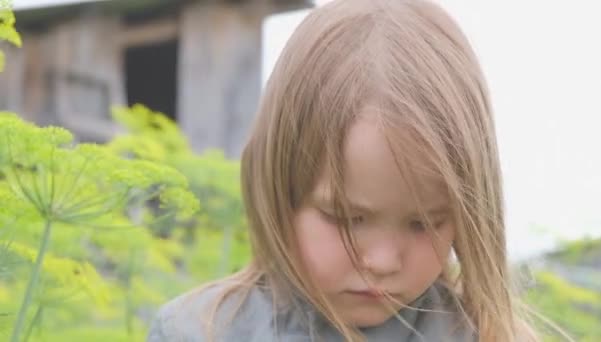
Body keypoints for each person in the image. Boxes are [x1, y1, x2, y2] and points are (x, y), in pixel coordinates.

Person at [147, 0, 541, 340]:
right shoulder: (199, 332)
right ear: (279, 186)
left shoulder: (485, 337)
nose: (384, 261)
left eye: (425, 223)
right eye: (348, 218)